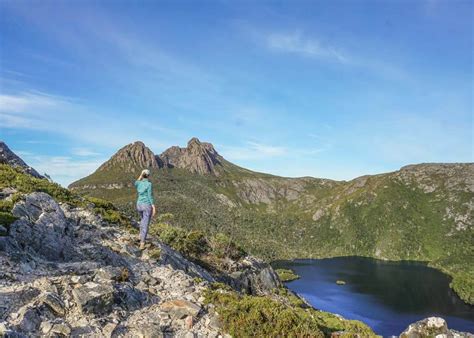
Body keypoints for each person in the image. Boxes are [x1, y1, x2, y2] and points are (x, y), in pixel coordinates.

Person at [134, 169, 156, 249]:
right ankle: (142, 242)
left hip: (139, 204)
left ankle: (140, 236)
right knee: (145, 223)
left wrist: (141, 174)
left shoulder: (138, 183)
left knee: (142, 220)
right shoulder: (149, 184)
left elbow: (136, 181)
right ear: (148, 176)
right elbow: (150, 196)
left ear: (142, 175)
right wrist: (153, 206)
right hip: (146, 205)